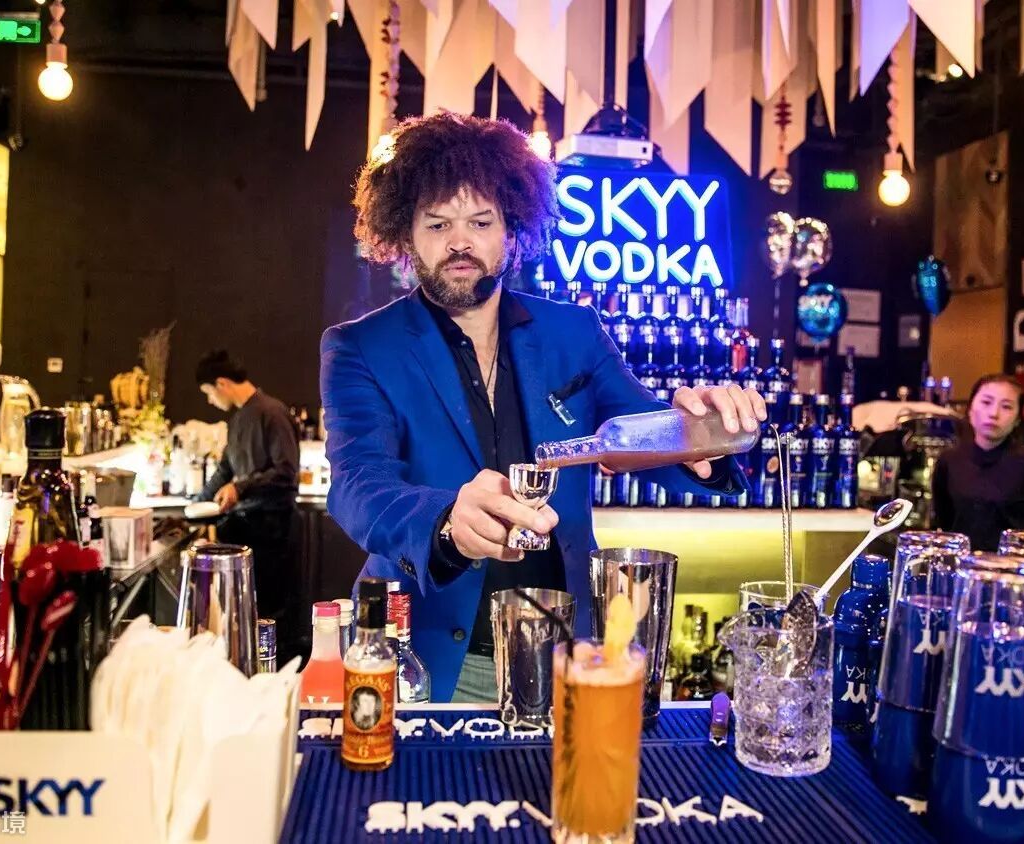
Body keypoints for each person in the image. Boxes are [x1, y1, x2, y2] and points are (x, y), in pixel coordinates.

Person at [320, 112, 766, 702]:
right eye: (438, 223)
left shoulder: (574, 332)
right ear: (406, 231)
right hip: (425, 656)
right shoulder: (359, 347)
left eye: (481, 222)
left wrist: (704, 435)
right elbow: (358, 486)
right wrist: (448, 523)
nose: (459, 242)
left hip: (565, 651)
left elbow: (646, 432)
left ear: (513, 227)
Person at [195, 350, 302, 660]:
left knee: (271, 612)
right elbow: (225, 470)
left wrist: (239, 487)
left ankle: (276, 674)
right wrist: (194, 507)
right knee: (248, 611)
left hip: (273, 529)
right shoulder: (238, 419)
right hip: (247, 530)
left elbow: (286, 471)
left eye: (208, 393)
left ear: (222, 383)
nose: (210, 401)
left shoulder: (273, 413)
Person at [931, 373, 1024, 551]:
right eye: (986, 402)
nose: (993, 414)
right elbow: (944, 524)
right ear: (970, 409)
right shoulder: (949, 460)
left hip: (1014, 566)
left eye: (1006, 406)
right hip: (961, 564)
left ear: (1018, 419)